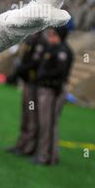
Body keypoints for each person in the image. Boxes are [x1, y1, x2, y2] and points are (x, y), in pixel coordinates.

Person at [32, 26, 73, 165]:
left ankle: (45, 156)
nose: (51, 37)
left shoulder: (62, 51)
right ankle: (49, 155)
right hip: (48, 89)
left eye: (54, 34)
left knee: (48, 124)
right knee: (48, 124)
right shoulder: (54, 48)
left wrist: (45, 79)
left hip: (52, 90)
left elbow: (60, 73)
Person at [7, 32, 46, 156]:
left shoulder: (40, 42)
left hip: (33, 84)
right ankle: (22, 144)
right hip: (27, 82)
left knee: (31, 116)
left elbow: (34, 63)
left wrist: (18, 72)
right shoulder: (31, 39)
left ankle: (29, 147)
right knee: (26, 115)